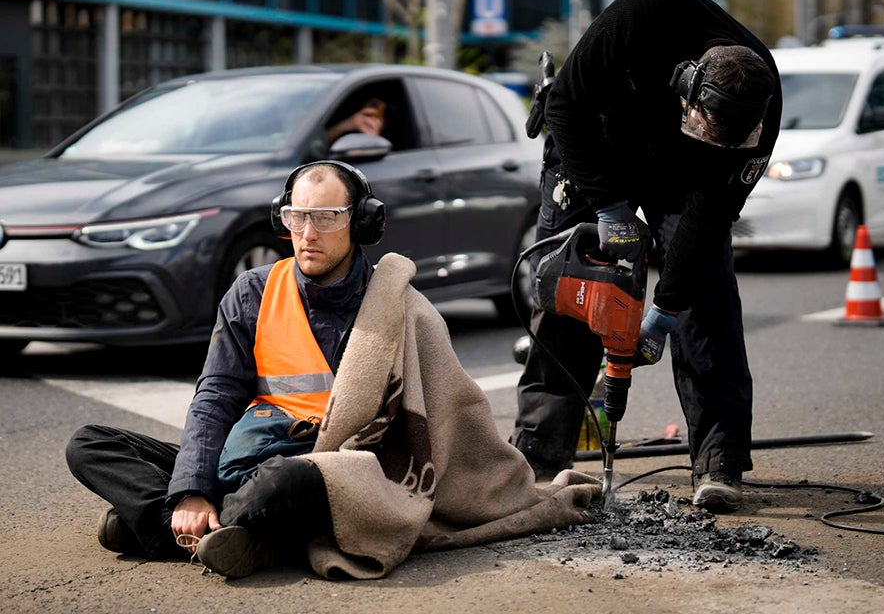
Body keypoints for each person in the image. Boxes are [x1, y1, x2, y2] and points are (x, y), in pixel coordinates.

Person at [67, 160, 600, 580]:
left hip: (328, 467)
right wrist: (189, 490)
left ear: (362, 222)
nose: (307, 232)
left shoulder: (398, 306)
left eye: (326, 217)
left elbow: (446, 419)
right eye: (296, 217)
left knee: (283, 485)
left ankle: (170, 529)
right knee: (89, 444)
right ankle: (218, 530)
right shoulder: (252, 292)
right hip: (244, 457)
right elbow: (216, 397)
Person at [511, 0, 782, 513]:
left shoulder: (760, 98)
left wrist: (664, 313)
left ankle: (719, 458)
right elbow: (565, 106)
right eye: (712, 129)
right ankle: (541, 448)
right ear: (688, 85)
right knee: (574, 283)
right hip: (595, 144)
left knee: (708, 293)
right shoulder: (645, 15)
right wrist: (610, 209)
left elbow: (708, 221)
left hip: (687, 175)